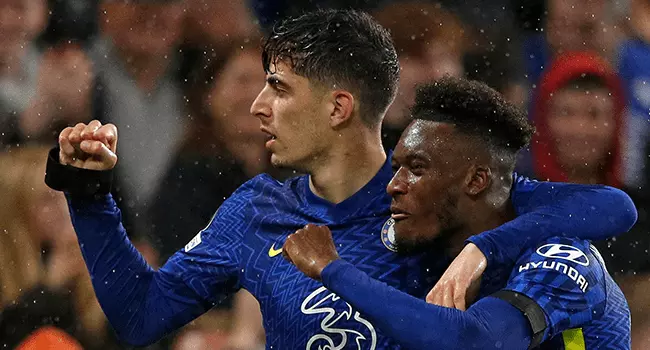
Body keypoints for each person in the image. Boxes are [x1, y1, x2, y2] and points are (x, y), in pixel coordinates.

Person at [44, 9, 636, 348]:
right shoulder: (255, 210)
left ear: (337, 108)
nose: (256, 108)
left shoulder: (438, 199)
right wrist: (91, 197)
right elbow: (140, 315)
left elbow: (608, 207)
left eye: (277, 87)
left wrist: (484, 247)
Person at [283, 77, 632, 349]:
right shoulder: (426, 229)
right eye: (396, 169)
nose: (394, 185)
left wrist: (333, 270)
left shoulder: (564, 260)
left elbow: (476, 342)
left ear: (477, 180)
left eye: (416, 167)